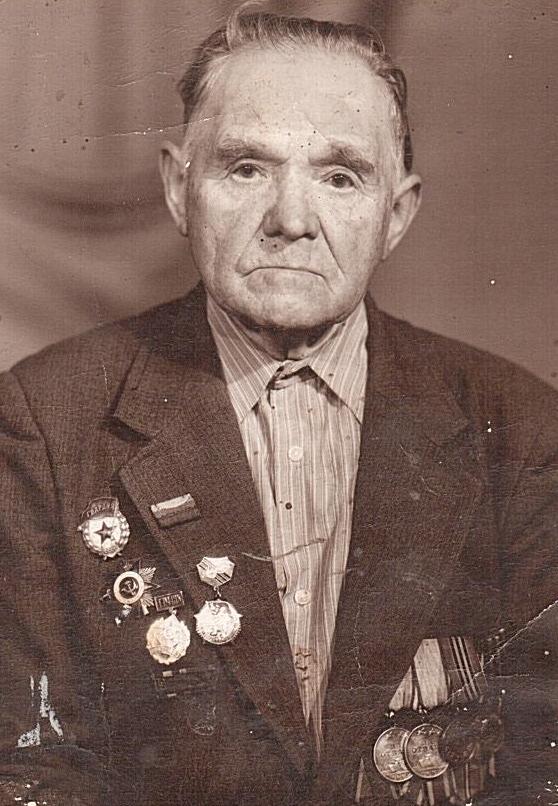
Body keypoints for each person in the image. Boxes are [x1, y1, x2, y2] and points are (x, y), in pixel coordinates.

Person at [1, 8, 557, 806]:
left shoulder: (524, 430)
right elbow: (27, 766)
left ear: (396, 215)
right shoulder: (44, 421)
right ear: (178, 189)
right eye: (246, 169)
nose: (292, 221)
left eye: (340, 177)